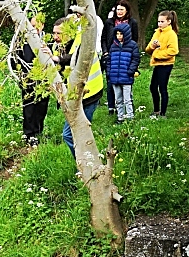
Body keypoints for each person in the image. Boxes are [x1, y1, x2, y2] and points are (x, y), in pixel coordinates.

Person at [47, 16, 103, 158]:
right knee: (77, 134)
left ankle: (86, 162)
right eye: (54, 33)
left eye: (59, 33)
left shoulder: (82, 41)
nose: (55, 37)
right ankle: (85, 162)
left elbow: (73, 58)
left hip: (90, 93)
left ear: (69, 32)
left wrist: (57, 59)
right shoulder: (57, 46)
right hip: (74, 95)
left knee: (71, 135)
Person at [11, 17, 50, 146]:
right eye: (31, 26)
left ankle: (38, 132)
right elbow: (15, 60)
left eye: (36, 26)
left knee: (41, 107)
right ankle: (28, 134)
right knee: (28, 107)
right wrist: (21, 76)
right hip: (28, 80)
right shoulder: (23, 42)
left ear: (42, 26)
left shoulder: (46, 41)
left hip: (44, 79)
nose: (34, 29)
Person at [102, 1, 139, 115]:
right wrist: (106, 52)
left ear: (127, 10)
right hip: (112, 53)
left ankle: (128, 112)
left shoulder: (132, 22)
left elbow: (135, 40)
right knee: (111, 83)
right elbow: (103, 38)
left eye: (122, 9)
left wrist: (131, 66)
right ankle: (113, 108)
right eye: (117, 9)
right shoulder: (109, 22)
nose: (119, 12)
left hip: (126, 55)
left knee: (126, 88)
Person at [145, 10, 179, 119]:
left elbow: (173, 51)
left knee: (162, 88)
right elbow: (148, 48)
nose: (159, 24)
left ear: (168, 21)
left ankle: (163, 114)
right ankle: (156, 111)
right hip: (157, 64)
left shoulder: (171, 34)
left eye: (162, 21)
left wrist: (158, 54)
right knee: (153, 87)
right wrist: (153, 47)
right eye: (158, 21)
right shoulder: (157, 32)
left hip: (166, 64)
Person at [106, 23, 140, 124]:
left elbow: (136, 59)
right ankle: (120, 117)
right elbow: (109, 61)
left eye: (121, 34)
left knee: (127, 99)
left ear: (126, 34)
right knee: (118, 99)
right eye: (117, 34)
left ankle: (129, 117)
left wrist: (130, 71)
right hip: (114, 78)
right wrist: (109, 72)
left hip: (126, 77)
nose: (119, 36)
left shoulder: (132, 45)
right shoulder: (113, 46)